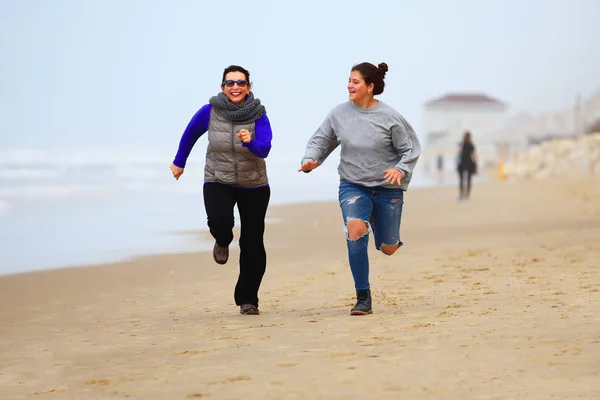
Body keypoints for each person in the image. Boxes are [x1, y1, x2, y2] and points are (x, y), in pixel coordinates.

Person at [298, 62, 421, 316]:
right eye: (349, 81)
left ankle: (385, 234)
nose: (350, 86)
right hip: (353, 185)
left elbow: (409, 148)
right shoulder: (339, 114)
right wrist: (311, 160)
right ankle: (363, 296)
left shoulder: (390, 117)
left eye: (355, 82)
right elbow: (321, 140)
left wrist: (400, 169)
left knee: (387, 247)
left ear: (370, 87)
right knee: (355, 229)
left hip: (387, 188)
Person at [170, 65, 273, 316]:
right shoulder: (210, 111)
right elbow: (190, 134)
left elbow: (265, 149)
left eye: (240, 83)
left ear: (249, 87)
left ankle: (248, 299)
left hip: (254, 184)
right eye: (230, 83)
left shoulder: (259, 115)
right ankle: (223, 240)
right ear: (222, 87)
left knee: (252, 243)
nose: (235, 87)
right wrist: (179, 161)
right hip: (218, 179)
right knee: (220, 220)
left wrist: (251, 142)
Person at [456, 130, 477, 200]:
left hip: (462, 163)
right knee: (469, 179)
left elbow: (458, 152)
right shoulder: (471, 145)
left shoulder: (461, 144)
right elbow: (474, 155)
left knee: (461, 179)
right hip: (469, 163)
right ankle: (467, 194)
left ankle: (461, 194)